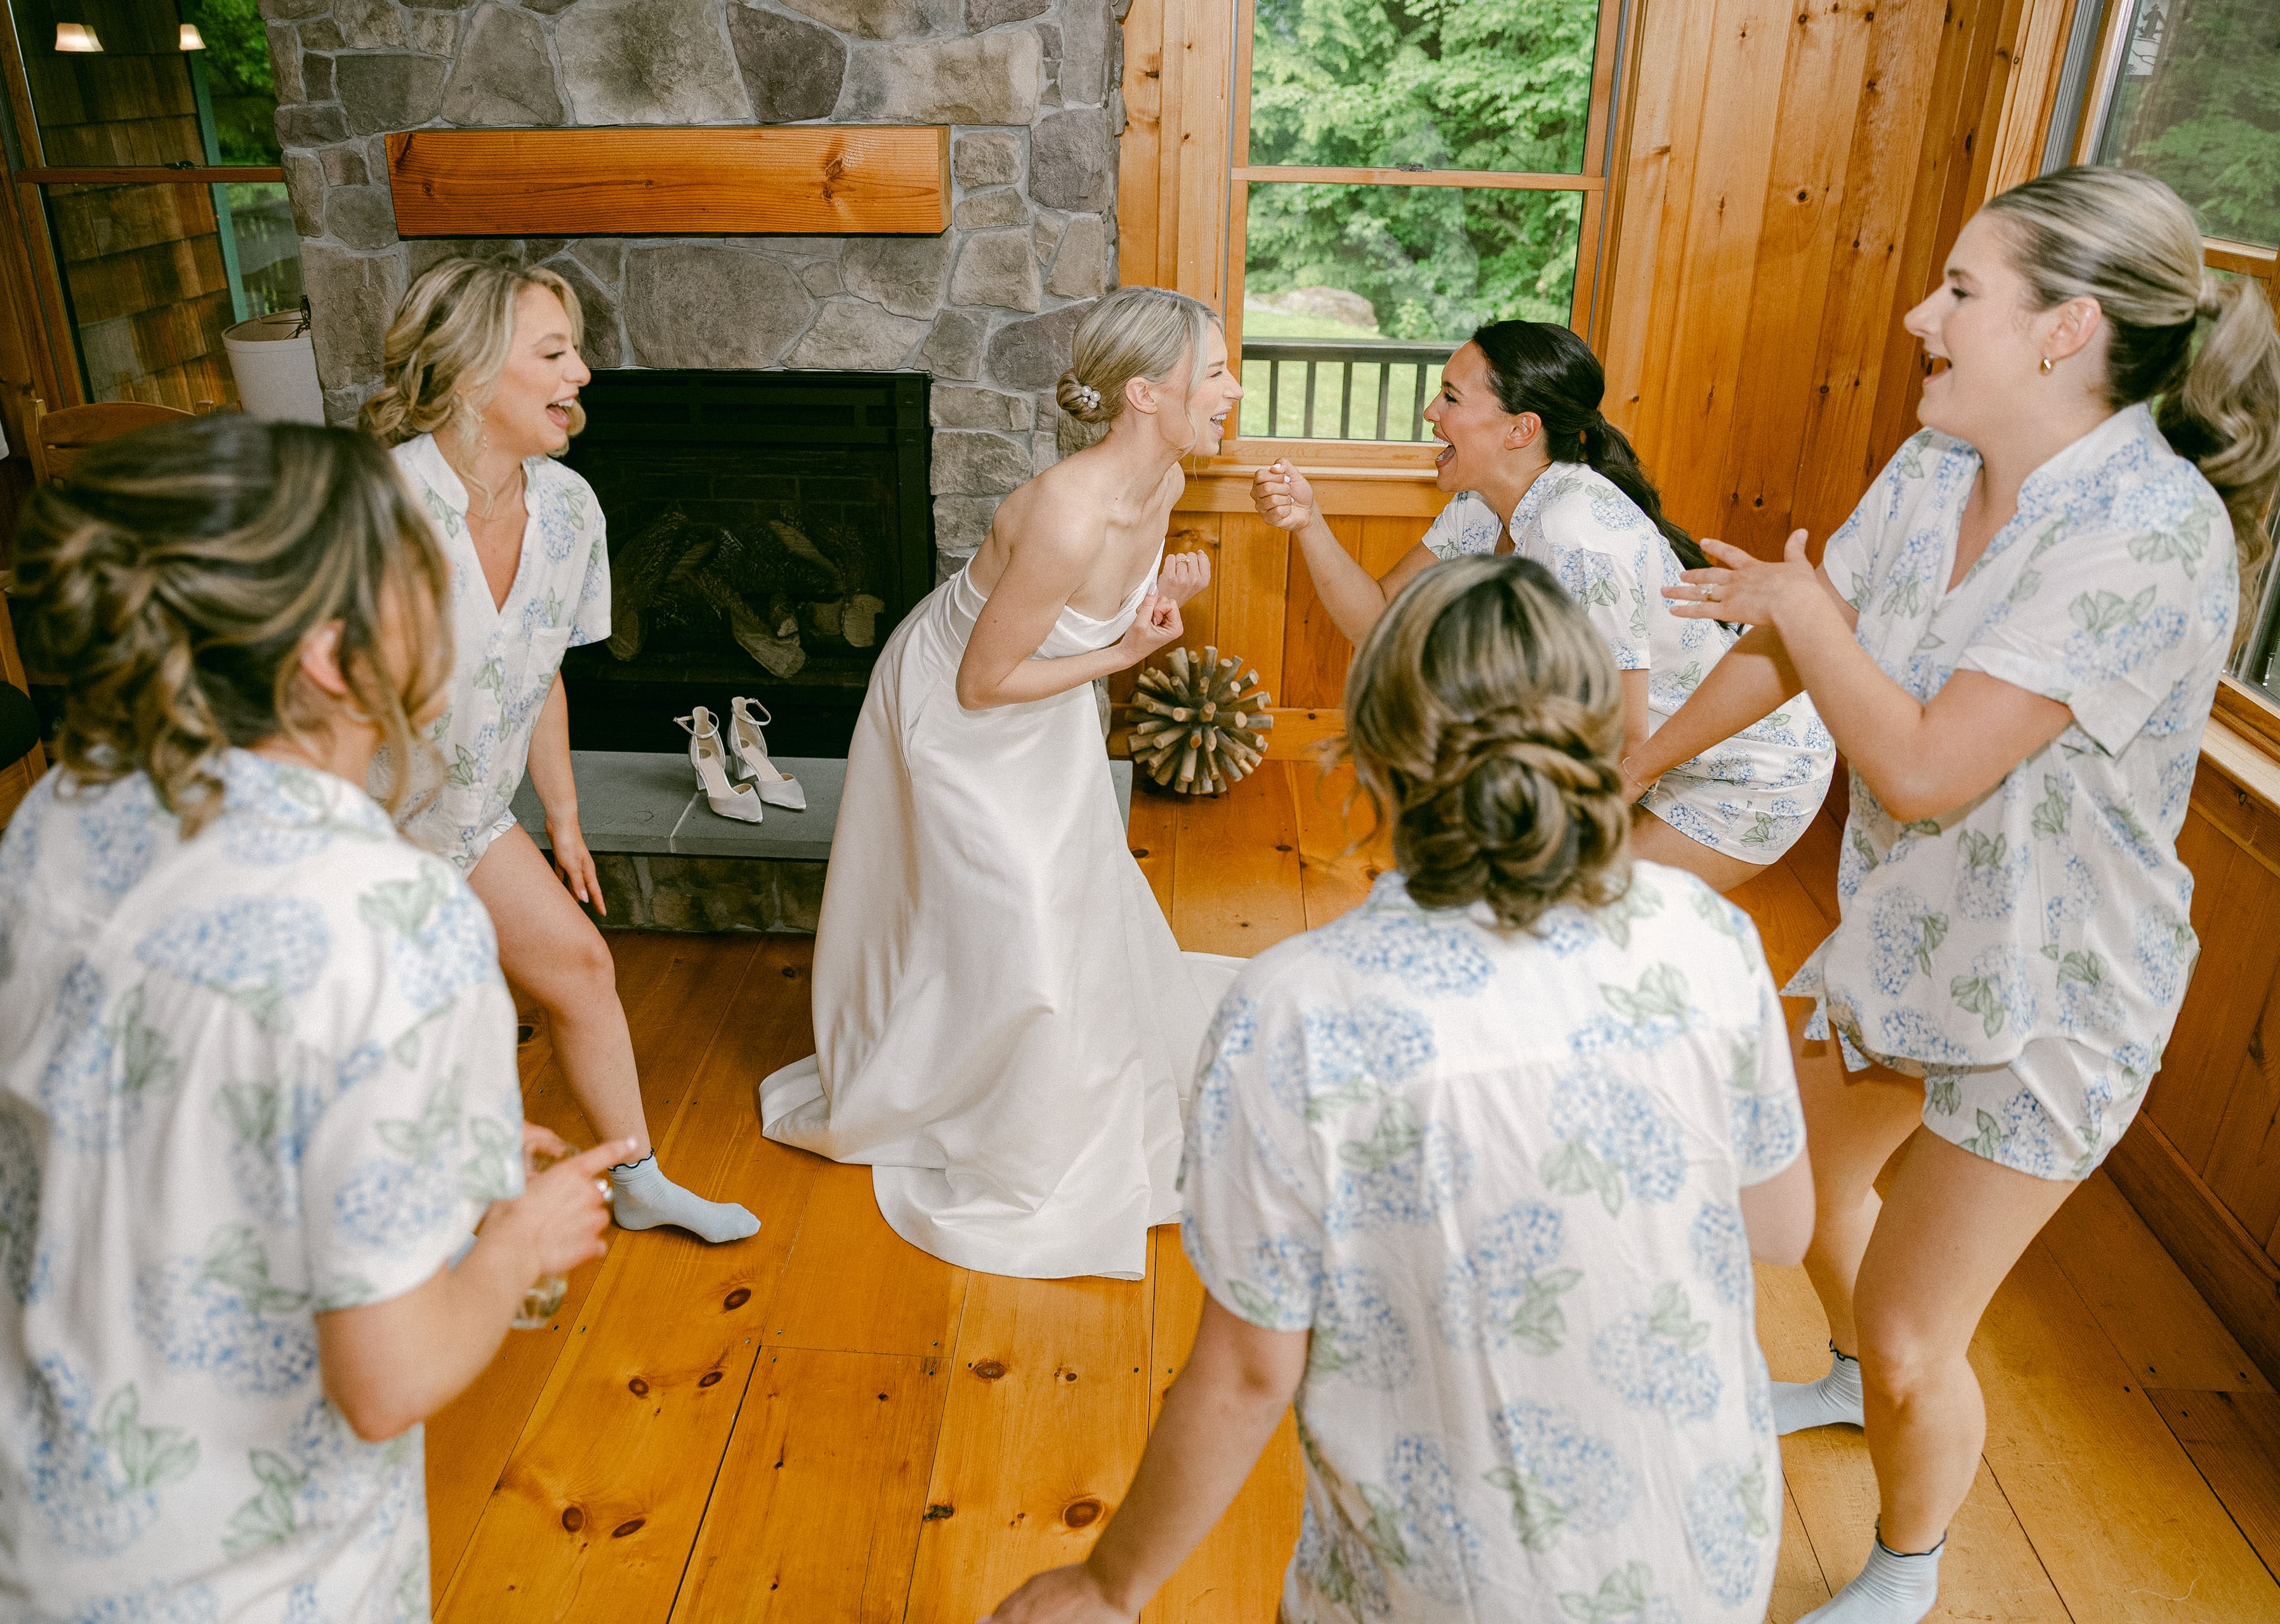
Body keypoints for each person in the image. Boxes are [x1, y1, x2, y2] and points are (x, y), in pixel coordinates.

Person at [0, 416, 628, 1619]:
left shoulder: (71, 808)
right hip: (185, 1573)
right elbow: (387, 1380)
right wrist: (519, 1243)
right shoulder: (399, 925)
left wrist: (425, 1153)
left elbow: (125, 1098)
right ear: (333, 656)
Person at [1646, 167, 2280, 1623]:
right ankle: (1841, 1381)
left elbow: (1927, 764)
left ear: (2067, 329)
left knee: (1909, 1325)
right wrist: (1628, 764)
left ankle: (1907, 1564)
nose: (1918, 318)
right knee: (1793, 1181)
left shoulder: (2149, 531)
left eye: (1959, 291)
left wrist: (1805, 611)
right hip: (1912, 925)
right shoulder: (1938, 463)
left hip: (2057, 991)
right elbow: (1791, 645)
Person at [979, 554, 1815, 1623]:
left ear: (1372, 754)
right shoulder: (1707, 935)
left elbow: (1247, 1375)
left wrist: (1110, 1584)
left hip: (1449, 1587)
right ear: (1600, 735)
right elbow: (1780, 1229)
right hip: (1705, 1552)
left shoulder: (1302, 1010)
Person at [756, 285, 1246, 1280]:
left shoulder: (1162, 480)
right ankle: (969, 1097)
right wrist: (1123, 656)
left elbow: (1081, 621)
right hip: (956, 715)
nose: (1233, 389)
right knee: (1013, 905)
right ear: (1145, 393)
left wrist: (1153, 606)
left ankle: (1043, 1077)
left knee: (1067, 895)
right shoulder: (1063, 511)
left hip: (1040, 703)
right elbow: (981, 684)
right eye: (1216, 370)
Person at [362, 259, 756, 1243]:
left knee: (580, 967)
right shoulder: (375, 507)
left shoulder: (571, 508)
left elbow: (538, 673)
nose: (581, 373)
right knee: (430, 1039)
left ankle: (638, 1179)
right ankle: (426, 1243)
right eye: (553, 353)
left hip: (467, 818)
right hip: (361, 833)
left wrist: (565, 820)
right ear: (468, 371)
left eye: (575, 351)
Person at [1254, 321, 1835, 892]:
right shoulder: (1483, 505)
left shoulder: (1576, 538)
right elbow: (1380, 621)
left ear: (1521, 429)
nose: (1431, 411)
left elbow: (1625, 746)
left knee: (1555, 912)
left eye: (1451, 397)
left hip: (1746, 771)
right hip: (1645, 759)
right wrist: (1309, 523)